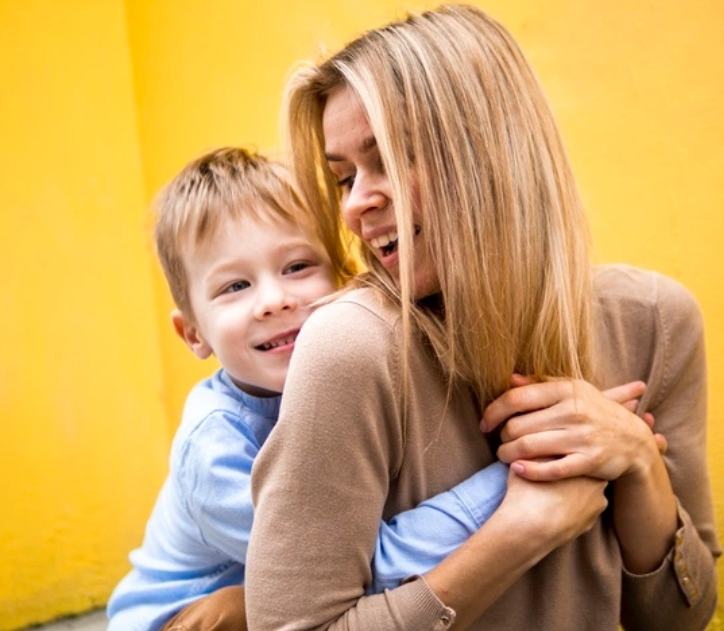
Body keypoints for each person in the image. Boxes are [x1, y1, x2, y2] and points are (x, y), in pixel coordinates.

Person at [245, 5, 720, 631]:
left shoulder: (656, 322)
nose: (357, 203)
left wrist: (637, 461)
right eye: (343, 178)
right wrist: (522, 530)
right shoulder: (351, 347)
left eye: (388, 156)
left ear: (495, 151)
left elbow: (682, 618)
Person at [106, 147, 512, 631]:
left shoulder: (355, 376)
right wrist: (511, 482)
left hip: (277, 606)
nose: (274, 301)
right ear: (193, 333)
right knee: (227, 616)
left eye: (297, 267)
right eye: (235, 287)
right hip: (181, 620)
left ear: (344, 278)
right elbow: (351, 566)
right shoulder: (214, 448)